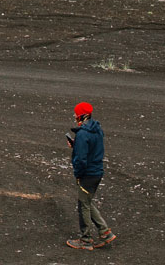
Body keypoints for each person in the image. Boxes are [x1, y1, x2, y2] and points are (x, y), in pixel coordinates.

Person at [65, 101, 116, 250]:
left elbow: (81, 159)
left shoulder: (82, 134)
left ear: (82, 116)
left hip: (88, 174)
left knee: (83, 205)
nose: (75, 117)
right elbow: (92, 148)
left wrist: (78, 174)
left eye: (76, 114)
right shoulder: (97, 129)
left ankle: (85, 239)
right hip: (97, 172)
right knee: (87, 202)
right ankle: (105, 232)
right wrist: (76, 145)